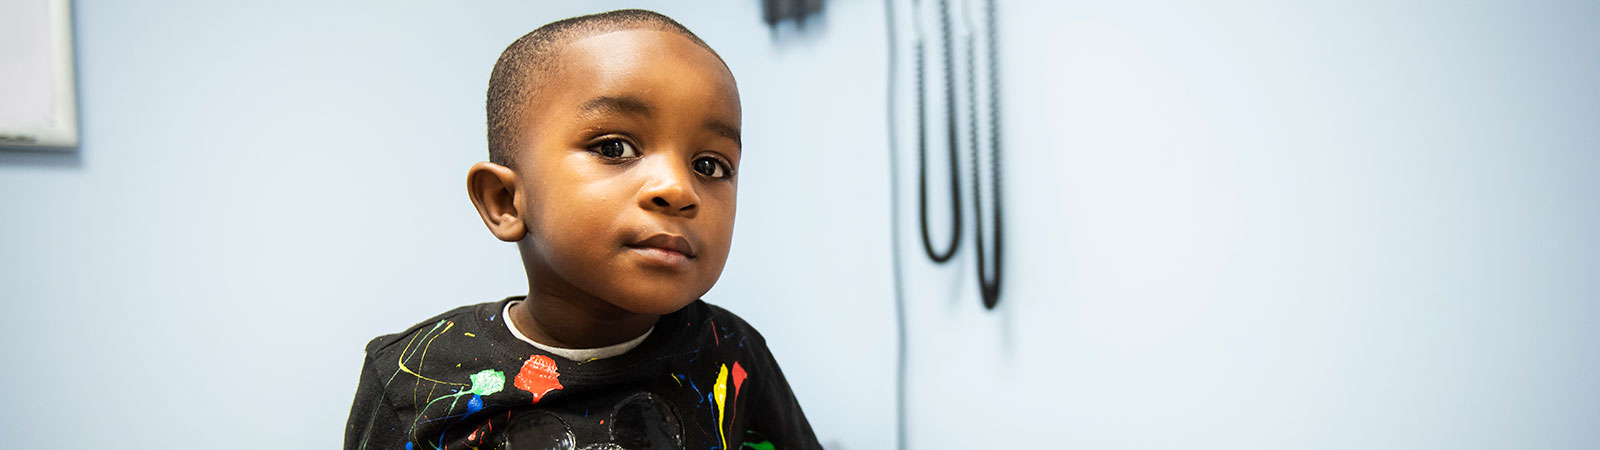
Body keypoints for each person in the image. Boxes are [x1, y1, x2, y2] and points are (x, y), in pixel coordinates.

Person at [343, 9, 821, 450]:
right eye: (614, 147)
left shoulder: (732, 354)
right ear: (505, 201)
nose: (679, 188)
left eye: (710, 165)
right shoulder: (415, 375)